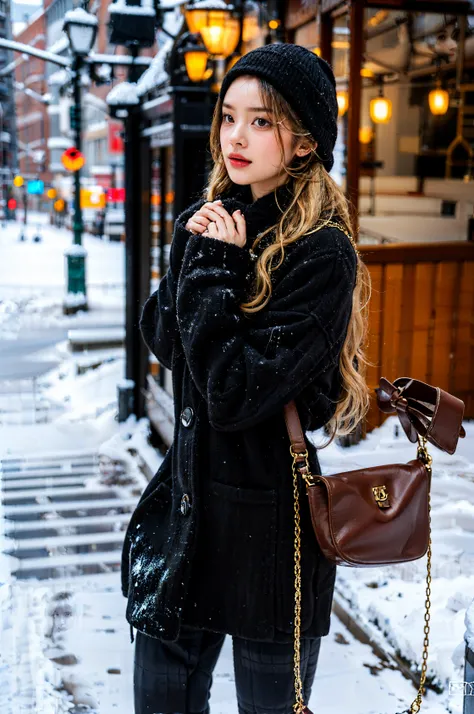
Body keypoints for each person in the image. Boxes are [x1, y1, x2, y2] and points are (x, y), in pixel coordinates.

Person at [122, 43, 371, 714]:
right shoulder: (218, 222)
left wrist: (208, 269)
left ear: (304, 142)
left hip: (272, 543)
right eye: (230, 116)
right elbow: (166, 339)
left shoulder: (323, 255)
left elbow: (234, 392)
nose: (235, 136)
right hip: (190, 526)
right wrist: (195, 250)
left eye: (262, 121)